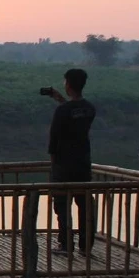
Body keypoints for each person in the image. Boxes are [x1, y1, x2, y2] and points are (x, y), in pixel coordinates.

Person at [46, 68, 97, 255]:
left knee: (62, 204)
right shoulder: (90, 108)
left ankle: (66, 244)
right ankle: (85, 246)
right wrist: (61, 100)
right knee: (83, 205)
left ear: (68, 84)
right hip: (83, 163)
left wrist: (54, 164)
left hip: (63, 165)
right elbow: (75, 114)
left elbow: (54, 138)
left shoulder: (62, 111)